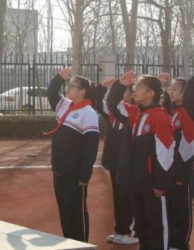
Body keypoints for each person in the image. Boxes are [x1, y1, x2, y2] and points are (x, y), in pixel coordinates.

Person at [109, 71, 174, 250]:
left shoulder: (159, 116)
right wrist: (119, 85)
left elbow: (166, 152)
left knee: (156, 228)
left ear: (151, 93)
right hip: (136, 182)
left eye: (139, 86)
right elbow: (113, 105)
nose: (134, 89)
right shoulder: (136, 113)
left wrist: (160, 183)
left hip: (153, 184)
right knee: (142, 227)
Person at [45, 67, 99, 242]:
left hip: (75, 174)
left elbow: (91, 147)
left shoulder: (89, 113)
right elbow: (51, 92)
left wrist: (85, 173)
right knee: (65, 211)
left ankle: (80, 244)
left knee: (76, 213)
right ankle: (68, 242)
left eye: (72, 86)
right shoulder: (64, 105)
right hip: (59, 170)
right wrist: (60, 78)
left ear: (82, 91)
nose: (67, 88)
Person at [97, 78, 138, 245]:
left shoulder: (134, 111)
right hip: (115, 163)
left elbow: (112, 102)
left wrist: (118, 85)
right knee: (118, 197)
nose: (123, 94)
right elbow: (98, 103)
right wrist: (101, 88)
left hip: (128, 164)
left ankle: (130, 231)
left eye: (126, 91)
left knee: (127, 198)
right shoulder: (116, 111)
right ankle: (120, 230)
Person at [166, 75, 194, 250]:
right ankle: (171, 240)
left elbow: (189, 145)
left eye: (175, 89)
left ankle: (180, 242)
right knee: (170, 206)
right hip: (169, 170)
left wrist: (182, 173)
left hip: (180, 171)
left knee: (181, 207)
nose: (171, 92)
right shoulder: (171, 113)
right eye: (171, 88)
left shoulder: (186, 114)